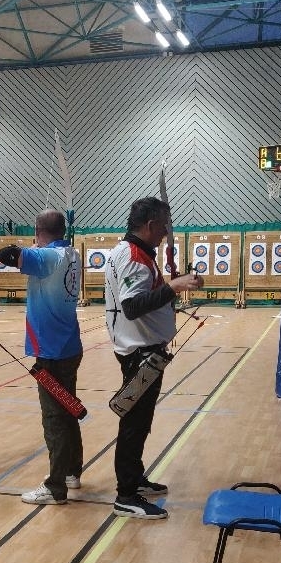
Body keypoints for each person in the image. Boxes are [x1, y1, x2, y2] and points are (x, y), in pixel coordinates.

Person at [105, 196, 204, 519]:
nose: (165, 232)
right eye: (163, 226)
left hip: (144, 350)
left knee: (140, 421)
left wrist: (174, 284)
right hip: (139, 353)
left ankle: (135, 479)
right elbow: (133, 306)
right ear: (149, 225)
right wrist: (174, 286)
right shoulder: (134, 256)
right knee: (134, 424)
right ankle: (126, 496)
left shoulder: (134, 252)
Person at [0, 209, 83, 505]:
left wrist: (30, 249)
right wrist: (35, 248)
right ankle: (71, 472)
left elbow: (5, 255)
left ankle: (56, 487)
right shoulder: (71, 254)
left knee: (54, 417)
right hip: (69, 346)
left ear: (38, 230)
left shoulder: (46, 257)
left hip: (50, 351)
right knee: (68, 408)